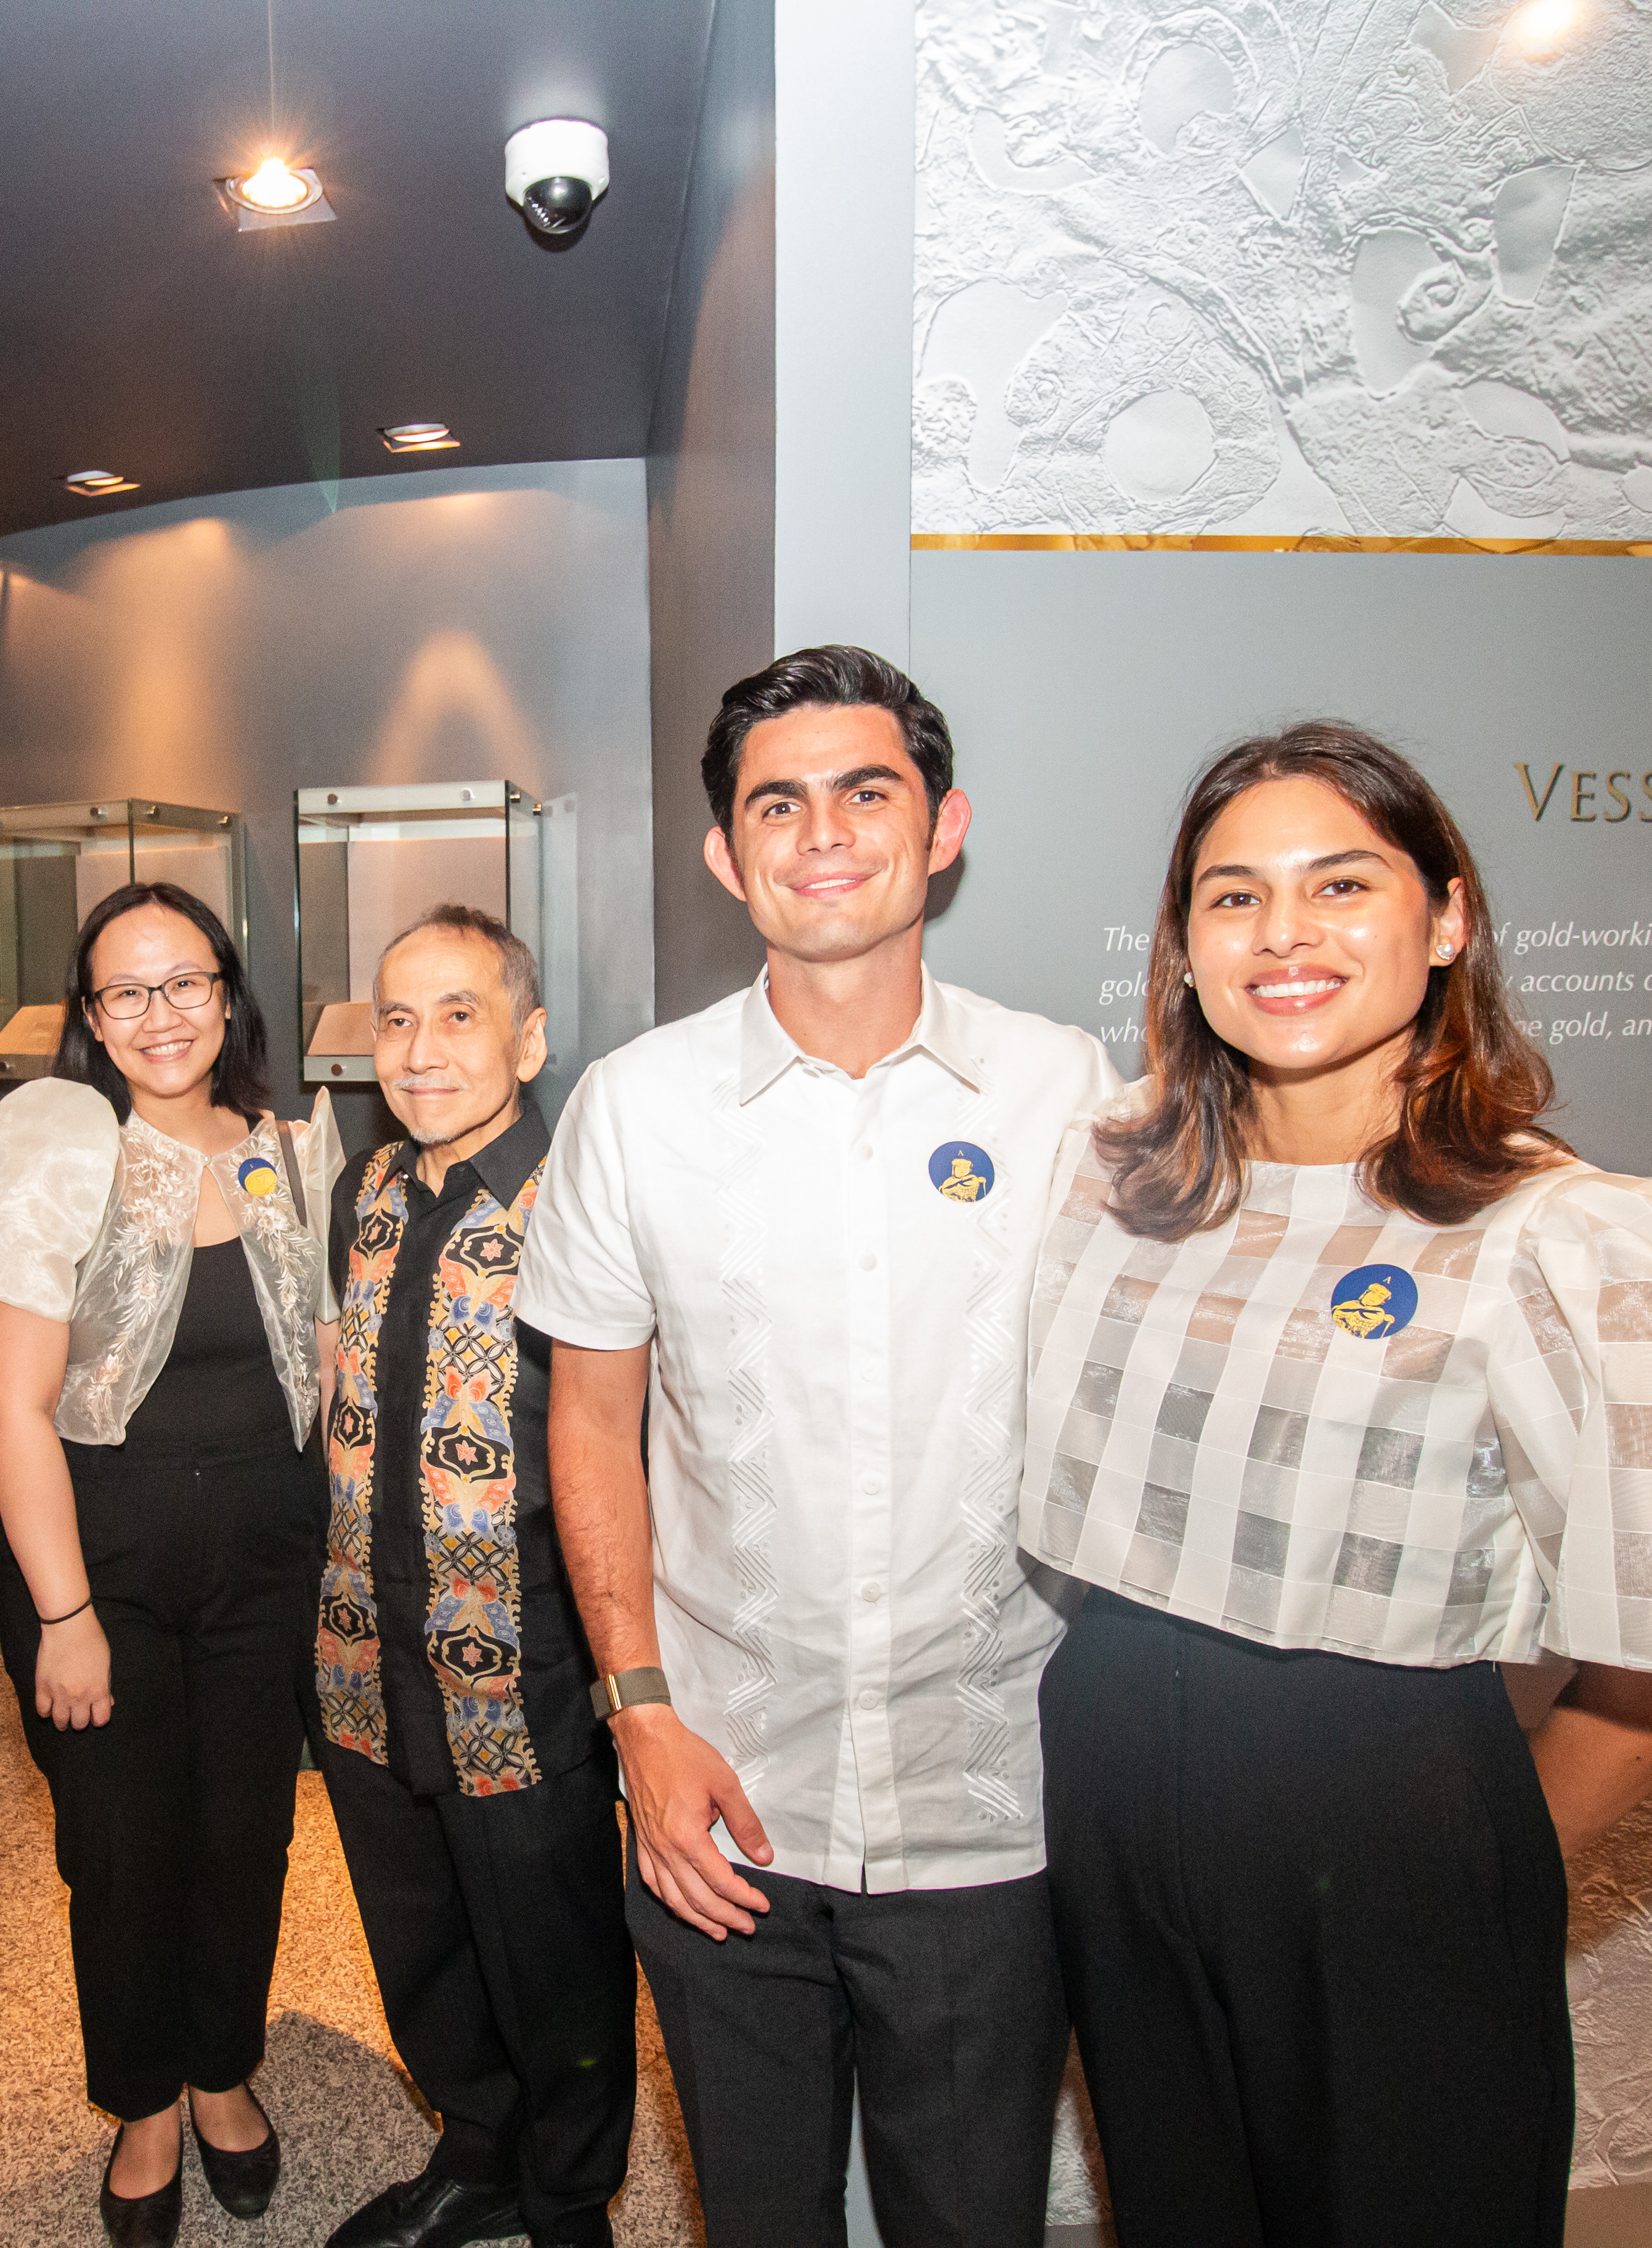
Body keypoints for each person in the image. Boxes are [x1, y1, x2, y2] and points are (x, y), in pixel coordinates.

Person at [1023, 722, 1652, 2246]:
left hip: (1383, 1814)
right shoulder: (1115, 1187)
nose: (1282, 935)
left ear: (1446, 919)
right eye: (1233, 898)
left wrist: (1468, 1868)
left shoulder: (1554, 1232)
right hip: (1111, 1788)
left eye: (1340, 885)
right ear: (1182, 946)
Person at [517, 647, 1124, 2247]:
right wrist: (638, 1714)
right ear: (727, 854)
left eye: (869, 792)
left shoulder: (1063, 1093)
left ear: (944, 828)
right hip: (725, 1789)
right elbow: (591, 1423)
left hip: (986, 1794)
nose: (825, 833)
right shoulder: (636, 1111)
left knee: (969, 2221)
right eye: (776, 804)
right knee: (762, 2215)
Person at [0, 879, 341, 2247]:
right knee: (121, 1852)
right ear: (90, 1018)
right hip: (98, 1557)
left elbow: (326, 1362)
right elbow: (10, 1405)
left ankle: (223, 2072)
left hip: (266, 1559)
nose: (160, 1015)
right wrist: (62, 1612)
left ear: (229, 995)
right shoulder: (56, 1151)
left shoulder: (295, 1151)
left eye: (186, 983)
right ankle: (145, 2103)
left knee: (245, 1834)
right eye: (127, 991)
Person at [314, 904, 634, 2248]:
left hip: (522, 1670)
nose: (423, 1048)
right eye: (397, 1018)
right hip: (361, 1662)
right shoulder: (366, 1192)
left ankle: (571, 2205)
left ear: (530, 1036)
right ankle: (479, 2146)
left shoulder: (585, 1209)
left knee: (555, 1964)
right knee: (422, 1942)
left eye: (460, 1015)